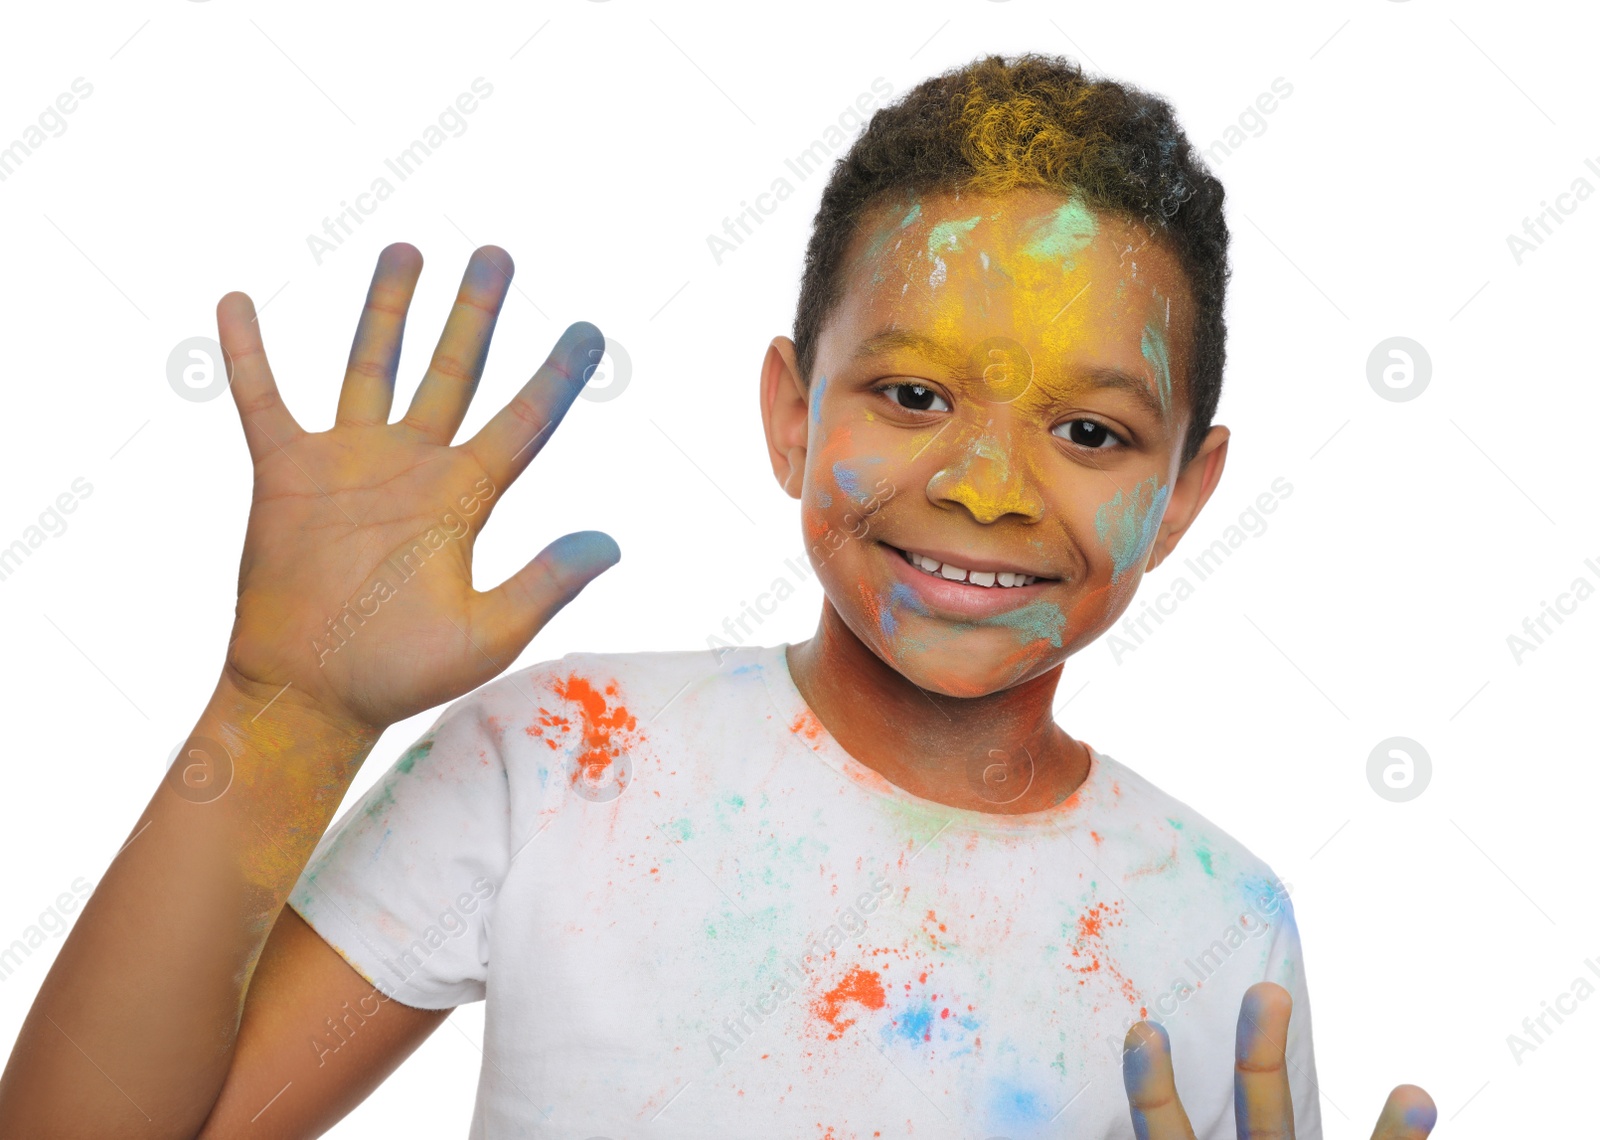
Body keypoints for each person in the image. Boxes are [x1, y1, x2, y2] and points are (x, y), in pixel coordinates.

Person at [0, 54, 1436, 1138]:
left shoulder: (1214, 926)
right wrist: (286, 706)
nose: (990, 488)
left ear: (1182, 493)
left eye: (1091, 433)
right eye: (916, 392)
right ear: (792, 415)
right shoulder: (568, 757)